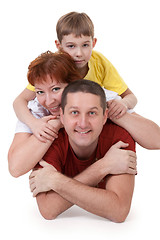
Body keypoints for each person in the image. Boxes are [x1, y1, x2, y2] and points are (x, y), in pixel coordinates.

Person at [8, 50, 160, 178]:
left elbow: (156, 139)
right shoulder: (35, 110)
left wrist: (109, 112)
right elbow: (15, 168)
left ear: (74, 83)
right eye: (40, 92)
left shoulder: (97, 97)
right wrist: (56, 124)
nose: (49, 101)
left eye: (55, 89)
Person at [12, 11, 137, 142]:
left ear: (93, 43)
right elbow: (19, 101)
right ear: (59, 46)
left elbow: (131, 96)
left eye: (85, 45)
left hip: (87, 126)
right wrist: (33, 123)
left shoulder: (99, 62)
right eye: (71, 46)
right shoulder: (53, 68)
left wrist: (124, 103)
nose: (79, 53)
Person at [29, 79, 137, 222]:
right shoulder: (49, 138)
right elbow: (48, 209)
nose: (83, 123)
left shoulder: (119, 137)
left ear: (104, 116)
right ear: (62, 116)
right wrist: (104, 166)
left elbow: (119, 211)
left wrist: (55, 181)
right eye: (74, 112)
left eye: (92, 113)